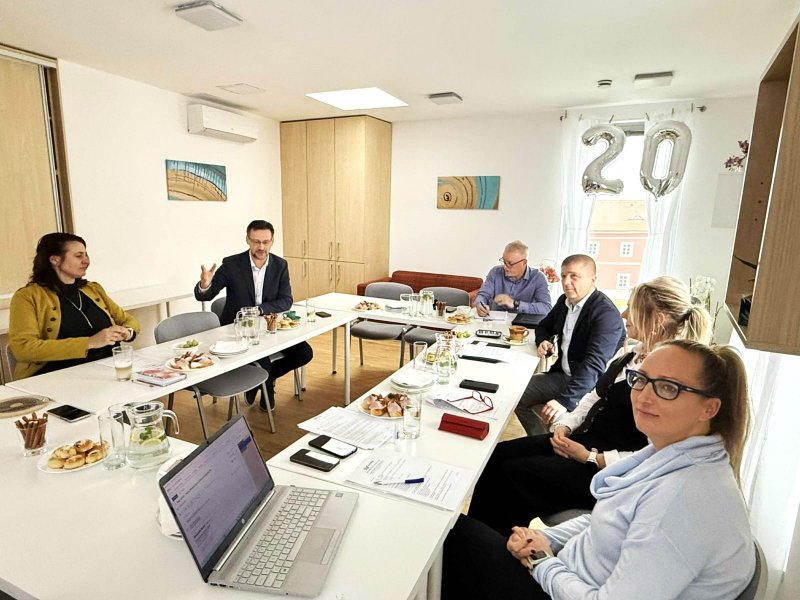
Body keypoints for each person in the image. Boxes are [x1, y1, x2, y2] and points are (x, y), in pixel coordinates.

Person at [443, 340, 755, 600]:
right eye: (641, 379)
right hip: (565, 572)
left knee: (449, 539)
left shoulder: (682, 502)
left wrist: (541, 561)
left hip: (560, 586)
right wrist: (543, 538)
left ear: (709, 408)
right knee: (455, 531)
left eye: (668, 388)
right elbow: (604, 520)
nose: (644, 396)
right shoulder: (671, 456)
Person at [468, 276, 712, 534]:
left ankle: (492, 546)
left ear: (657, 320)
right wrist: (564, 426)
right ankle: (473, 542)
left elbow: (655, 455)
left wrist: (590, 457)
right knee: (497, 455)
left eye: (632, 309)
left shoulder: (670, 381)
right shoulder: (633, 353)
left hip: (609, 472)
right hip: (583, 442)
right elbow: (594, 397)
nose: (623, 314)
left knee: (512, 474)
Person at [194, 220, 312, 410]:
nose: (261, 247)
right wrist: (205, 284)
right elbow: (204, 295)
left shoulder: (280, 265)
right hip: (238, 331)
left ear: (272, 241)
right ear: (248, 240)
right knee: (262, 362)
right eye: (256, 242)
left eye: (266, 242)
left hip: (268, 328)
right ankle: (267, 390)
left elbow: (286, 300)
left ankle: (263, 380)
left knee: (304, 353)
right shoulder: (232, 264)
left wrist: (260, 310)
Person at [515, 254, 625, 435]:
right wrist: (543, 340)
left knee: (555, 417)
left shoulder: (606, 314)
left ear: (593, 279)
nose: (566, 282)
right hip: (563, 375)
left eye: (574, 276)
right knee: (514, 394)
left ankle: (549, 442)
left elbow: (594, 366)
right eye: (564, 275)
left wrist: (565, 401)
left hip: (590, 387)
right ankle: (539, 440)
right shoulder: (564, 302)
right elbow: (544, 326)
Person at [9, 233, 140, 380]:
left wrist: (127, 332)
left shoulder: (93, 289)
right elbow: (24, 348)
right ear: (55, 259)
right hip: (55, 377)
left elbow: (128, 320)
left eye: (86, 255)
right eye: (78, 256)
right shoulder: (27, 297)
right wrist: (89, 342)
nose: (86, 261)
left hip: (104, 373)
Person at [475, 241, 552, 317]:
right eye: (504, 262)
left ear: (524, 262)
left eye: (510, 263)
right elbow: (483, 295)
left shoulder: (538, 278)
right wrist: (480, 304)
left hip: (523, 322)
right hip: (496, 321)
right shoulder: (495, 272)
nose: (505, 267)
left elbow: (546, 308)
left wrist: (515, 304)